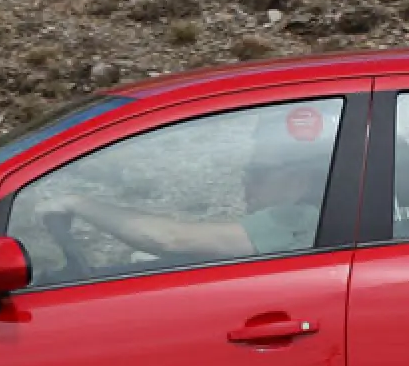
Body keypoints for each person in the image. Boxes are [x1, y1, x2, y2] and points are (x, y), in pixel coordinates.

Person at [38, 107, 331, 260]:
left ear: (298, 180)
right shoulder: (328, 220)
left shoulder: (297, 219)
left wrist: (77, 203)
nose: (246, 182)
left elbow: (173, 239)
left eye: (258, 173)